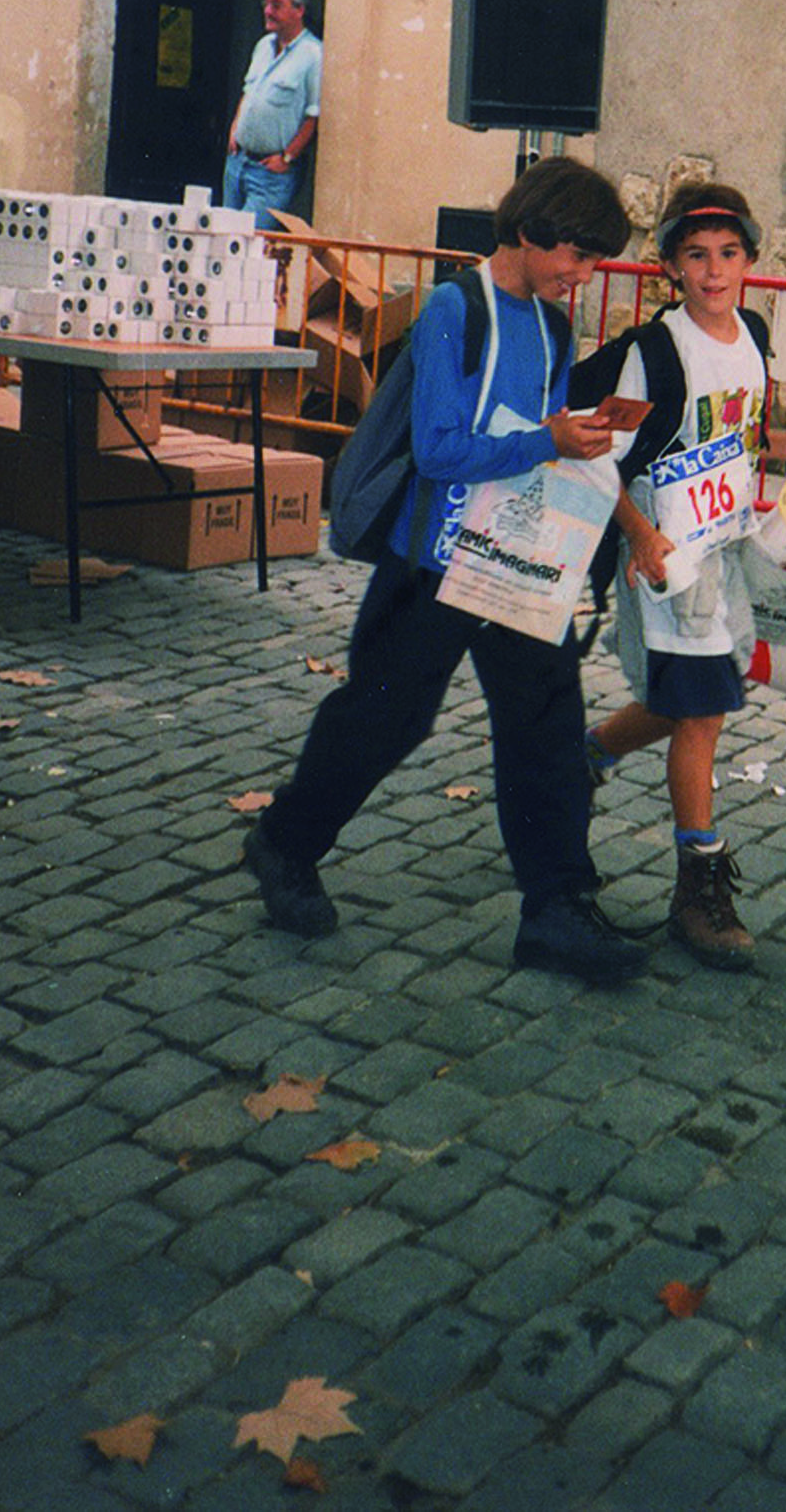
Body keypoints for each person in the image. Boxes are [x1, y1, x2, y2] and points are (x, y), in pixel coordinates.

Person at [242, 156, 649, 984]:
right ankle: (284, 843)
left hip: (511, 561)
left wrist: (575, 437)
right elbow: (439, 450)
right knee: (385, 717)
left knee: (544, 719)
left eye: (595, 260)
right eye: (578, 255)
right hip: (430, 561)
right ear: (533, 233)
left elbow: (536, 431)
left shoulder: (554, 325)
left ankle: (557, 907)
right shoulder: (452, 311)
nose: (584, 274)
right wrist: (549, 439)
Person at [572, 182, 779, 971]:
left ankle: (587, 753)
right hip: (666, 562)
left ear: (751, 259)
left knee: (697, 694)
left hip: (724, 553)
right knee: (701, 716)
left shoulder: (754, 335)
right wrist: (639, 534)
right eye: (697, 255)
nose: (715, 270)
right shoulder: (652, 352)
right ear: (670, 267)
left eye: (729, 253)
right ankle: (697, 887)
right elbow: (599, 453)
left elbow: (743, 430)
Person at [223, 0, 323, 228]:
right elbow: (249, 92)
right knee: (224, 244)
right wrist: (235, 129)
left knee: (245, 241)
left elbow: (314, 116)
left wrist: (287, 158)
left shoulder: (313, 55)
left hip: (270, 174)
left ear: (299, 10)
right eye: (266, 4)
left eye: (276, 5)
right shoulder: (263, 46)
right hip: (237, 163)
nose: (268, 11)